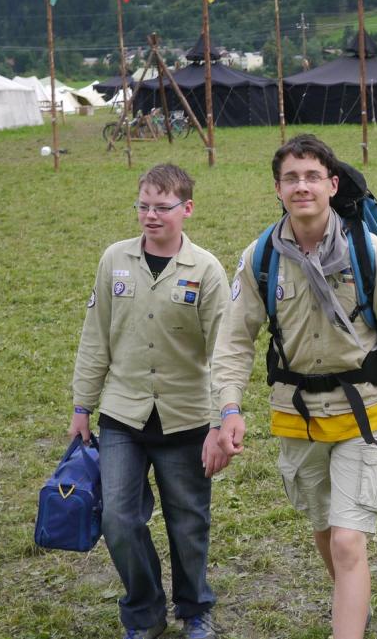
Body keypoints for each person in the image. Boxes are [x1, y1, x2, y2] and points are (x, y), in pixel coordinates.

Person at [209, 135, 377, 639]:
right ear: (277, 189)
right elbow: (234, 341)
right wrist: (229, 409)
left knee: (348, 541)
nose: (301, 186)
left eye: (311, 176)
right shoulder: (261, 257)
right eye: (291, 178)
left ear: (332, 184)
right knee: (325, 528)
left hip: (363, 411)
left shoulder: (367, 252)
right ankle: (354, 602)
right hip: (296, 416)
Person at [69, 163, 228, 639]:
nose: (151, 215)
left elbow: (225, 352)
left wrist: (221, 420)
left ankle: (195, 609)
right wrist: (82, 406)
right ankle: (144, 612)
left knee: (188, 523)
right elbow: (95, 337)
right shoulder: (114, 260)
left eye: (162, 207)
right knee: (118, 519)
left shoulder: (206, 269)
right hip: (123, 414)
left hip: (186, 417)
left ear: (187, 209)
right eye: (143, 206)